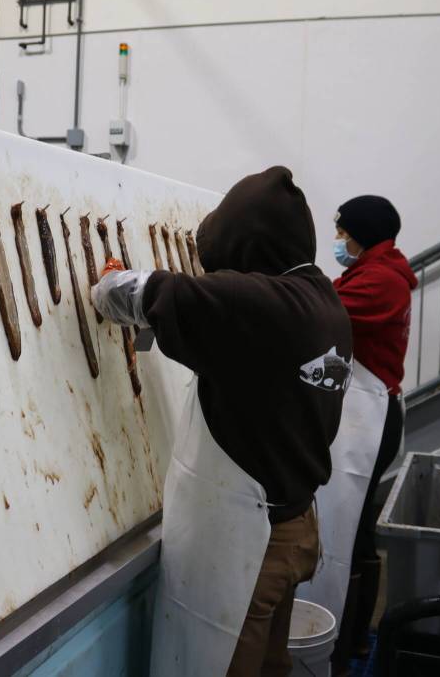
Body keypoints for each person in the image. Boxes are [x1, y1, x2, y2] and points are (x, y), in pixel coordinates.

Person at [91, 166, 352, 676]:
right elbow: (237, 365)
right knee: (270, 667)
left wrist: (107, 281)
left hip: (248, 551)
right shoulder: (324, 306)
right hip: (297, 530)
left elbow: (133, 295)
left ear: (248, 245)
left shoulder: (258, 305)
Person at [298, 194, 417, 676]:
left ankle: (347, 639)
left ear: (363, 233)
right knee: (354, 528)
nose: (339, 240)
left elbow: (320, 311)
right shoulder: (374, 270)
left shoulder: (383, 281)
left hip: (373, 419)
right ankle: (352, 636)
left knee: (352, 532)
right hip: (367, 413)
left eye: (344, 232)